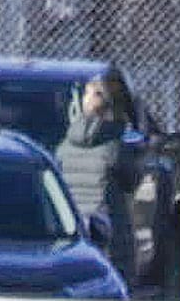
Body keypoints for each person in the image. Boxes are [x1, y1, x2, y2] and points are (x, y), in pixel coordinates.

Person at [57, 72, 137, 284]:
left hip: (74, 228)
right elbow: (132, 181)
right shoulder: (115, 146)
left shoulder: (64, 146)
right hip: (109, 228)